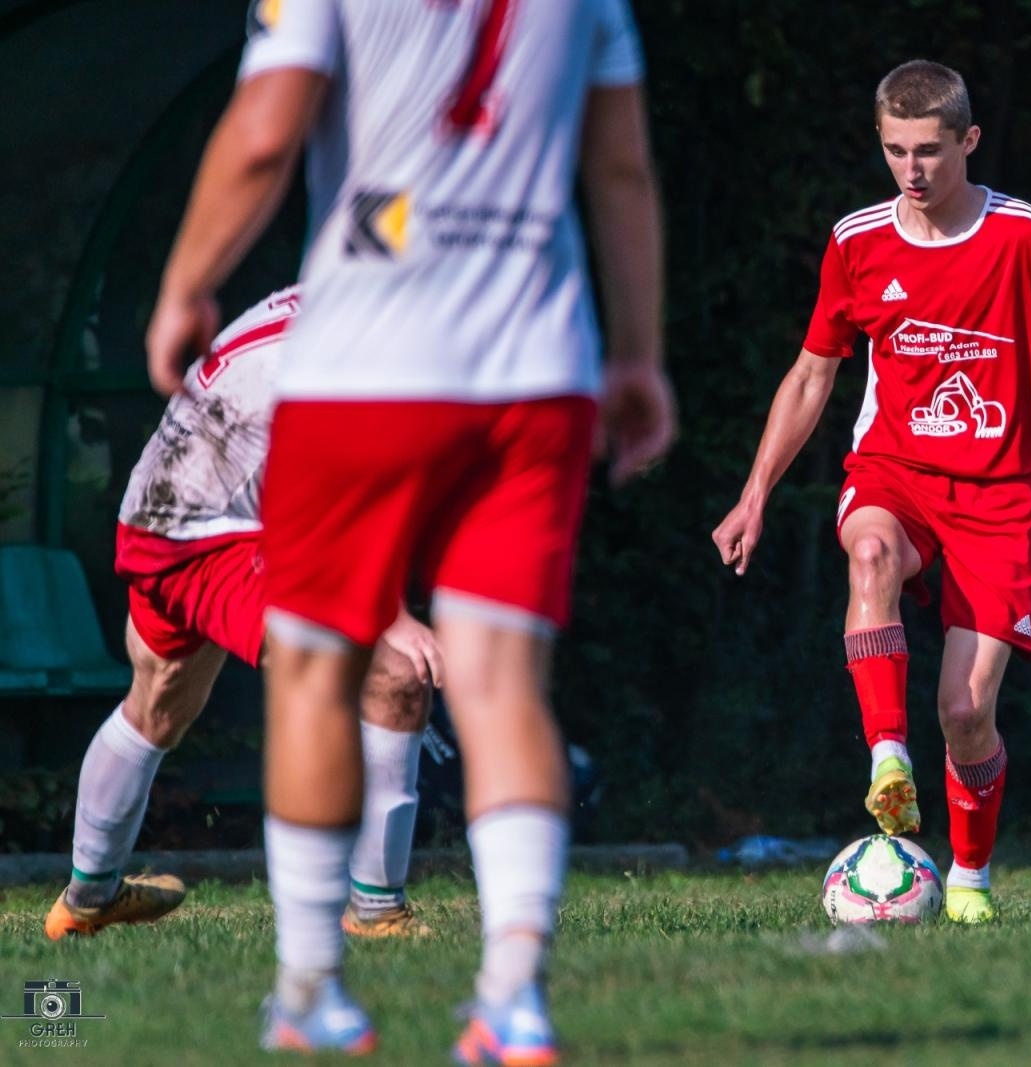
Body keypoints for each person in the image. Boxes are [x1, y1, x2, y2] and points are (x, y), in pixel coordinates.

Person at [145, 0, 672, 1058]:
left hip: (363, 372)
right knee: (502, 684)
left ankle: (310, 993)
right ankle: (515, 997)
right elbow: (619, 170)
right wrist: (637, 352)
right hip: (533, 372)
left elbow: (263, 133)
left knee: (311, 672)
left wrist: (187, 284)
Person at [712, 60, 1031, 925]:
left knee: (965, 710)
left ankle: (968, 874)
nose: (912, 171)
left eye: (929, 150)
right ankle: (889, 759)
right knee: (870, 550)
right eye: (895, 151)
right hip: (896, 475)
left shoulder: (1025, 237)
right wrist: (755, 492)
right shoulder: (857, 242)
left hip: (1001, 498)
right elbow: (813, 376)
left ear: (969, 141)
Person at [44, 286, 438, 944]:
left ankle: (87, 899)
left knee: (161, 699)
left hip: (159, 516)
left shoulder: (350, 295)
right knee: (390, 671)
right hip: (212, 533)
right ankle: (376, 912)